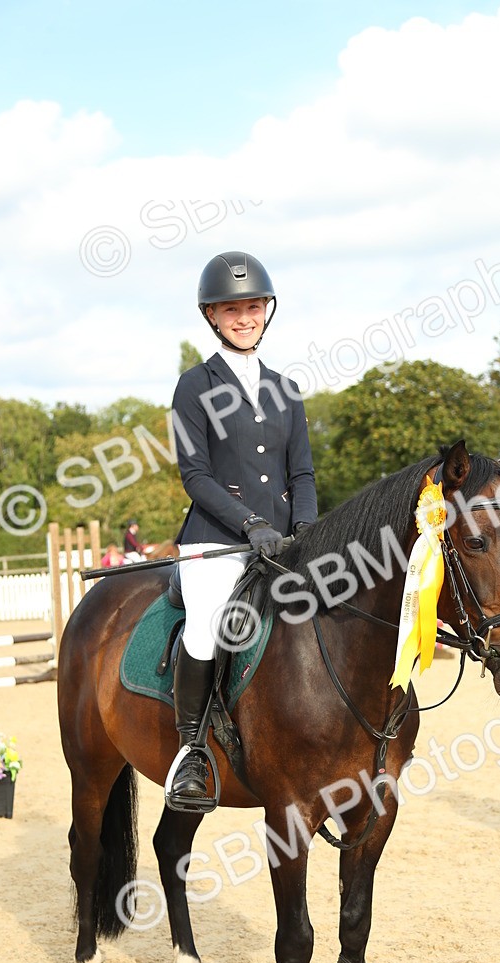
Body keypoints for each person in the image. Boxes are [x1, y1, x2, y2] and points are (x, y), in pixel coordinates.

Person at [168, 250, 317, 810]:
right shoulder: (194, 384)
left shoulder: (287, 388)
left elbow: (300, 473)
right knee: (208, 626)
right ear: (212, 314)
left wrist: (304, 529)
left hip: (283, 543)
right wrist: (249, 522)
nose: (245, 316)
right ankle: (192, 753)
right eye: (233, 309)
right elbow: (195, 475)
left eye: (253, 306)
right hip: (216, 540)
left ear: (267, 311)